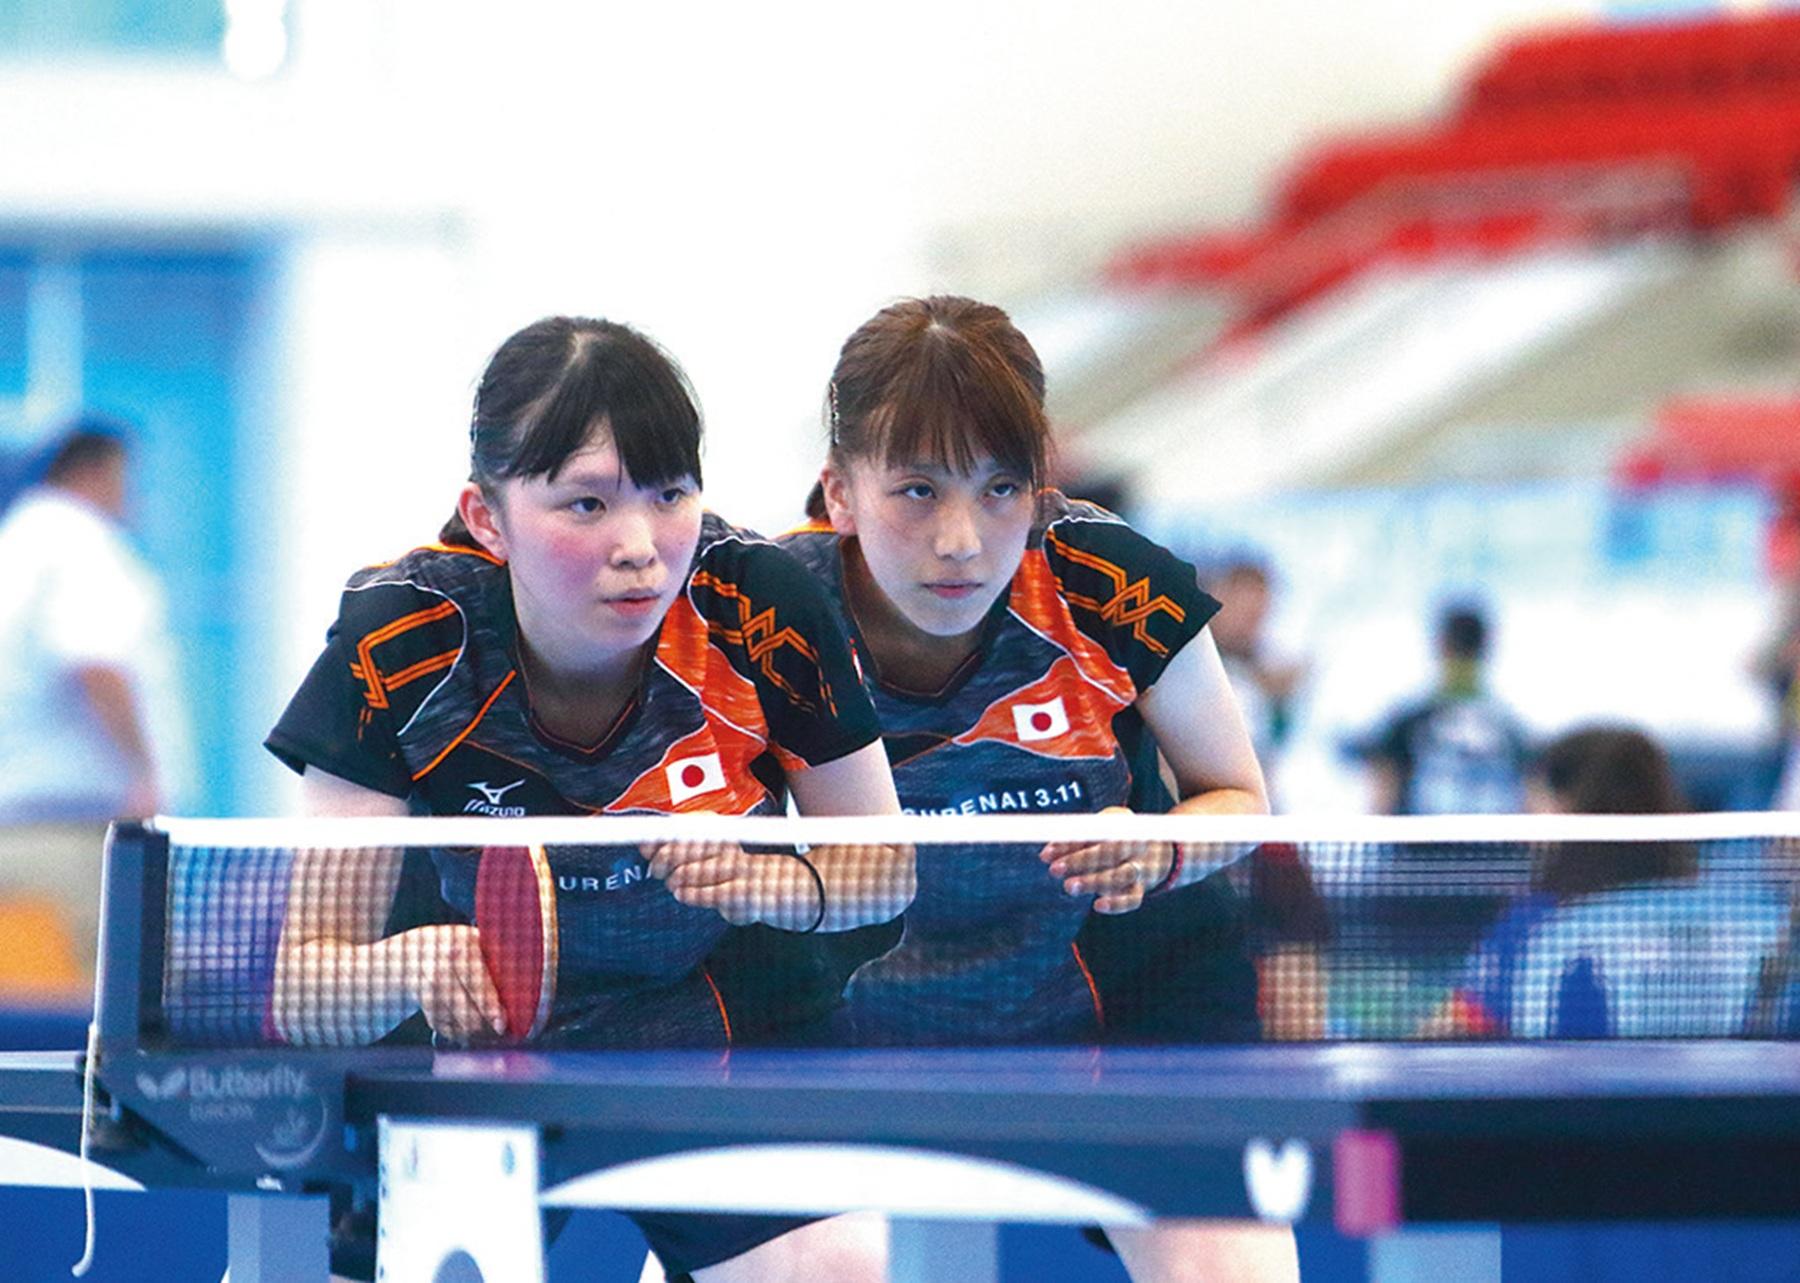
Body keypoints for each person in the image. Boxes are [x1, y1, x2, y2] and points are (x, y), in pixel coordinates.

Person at [266, 316, 908, 1282]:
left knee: (844, 1269)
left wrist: (771, 886)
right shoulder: (404, 640)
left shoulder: (760, 609)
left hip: (712, 1015)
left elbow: (887, 870)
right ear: (488, 517)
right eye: (586, 503)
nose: (641, 546)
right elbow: (302, 986)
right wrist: (403, 965)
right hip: (477, 1045)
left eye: (669, 493)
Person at [782, 296, 1297, 1282]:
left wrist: (1164, 845)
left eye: (1001, 487)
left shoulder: (1111, 580)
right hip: (853, 1019)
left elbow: (1239, 795)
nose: (963, 539)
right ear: (839, 491)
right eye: (918, 490)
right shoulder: (767, 614)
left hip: (1129, 998)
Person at [1422, 725, 1782, 1039]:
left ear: (1569, 804)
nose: (1522, 820)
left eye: (1532, 804)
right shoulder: (1728, 921)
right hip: (1709, 1097)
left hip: (1558, 1095)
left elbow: (1448, 1031)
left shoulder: (1534, 925)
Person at [0, 419, 190, 987]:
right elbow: (95, 663)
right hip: (74, 834)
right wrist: (144, 772)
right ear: (94, 472)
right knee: (98, 1001)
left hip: (20, 827)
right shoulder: (80, 544)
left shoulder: (17, 543)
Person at [1364, 602, 1530, 815]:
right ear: (1486, 647)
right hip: (1493, 837)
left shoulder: (1407, 724)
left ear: (1441, 645)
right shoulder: (1512, 731)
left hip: (1420, 837)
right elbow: (1531, 800)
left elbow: (1383, 796)